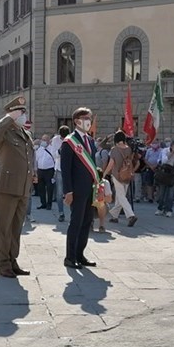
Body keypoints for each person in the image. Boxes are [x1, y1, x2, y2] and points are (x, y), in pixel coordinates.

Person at [0, 96, 36, 278]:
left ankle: (13, 260)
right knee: (4, 228)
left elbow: (28, 156)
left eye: (23, 112)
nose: (23, 115)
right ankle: (3, 264)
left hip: (23, 187)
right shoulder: (4, 132)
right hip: (6, 186)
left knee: (16, 228)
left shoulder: (26, 134)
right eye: (20, 112)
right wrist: (8, 118)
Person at [61, 107, 99, 269]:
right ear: (77, 121)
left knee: (87, 222)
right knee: (76, 222)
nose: (89, 121)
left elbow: (92, 164)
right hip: (76, 189)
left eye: (90, 118)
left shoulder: (90, 140)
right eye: (85, 118)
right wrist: (68, 191)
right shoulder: (69, 141)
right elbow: (65, 169)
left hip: (90, 188)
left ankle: (80, 254)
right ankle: (70, 257)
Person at [103, 130, 137, 227]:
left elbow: (111, 164)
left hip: (117, 175)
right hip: (127, 174)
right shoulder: (129, 149)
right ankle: (114, 215)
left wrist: (104, 173)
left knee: (121, 197)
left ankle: (131, 215)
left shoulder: (114, 149)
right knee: (120, 197)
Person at [50, 126, 69, 222]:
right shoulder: (55, 140)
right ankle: (61, 213)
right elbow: (53, 154)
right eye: (62, 138)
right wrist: (60, 150)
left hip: (70, 169)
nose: (63, 139)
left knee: (71, 191)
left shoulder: (71, 139)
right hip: (59, 168)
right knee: (59, 193)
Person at [35, 134, 56, 210]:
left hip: (49, 170)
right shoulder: (39, 149)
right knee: (41, 188)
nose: (43, 141)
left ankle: (49, 204)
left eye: (45, 140)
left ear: (48, 141)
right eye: (42, 139)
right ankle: (43, 203)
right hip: (40, 170)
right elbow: (37, 159)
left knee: (49, 188)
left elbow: (55, 159)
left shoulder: (52, 149)